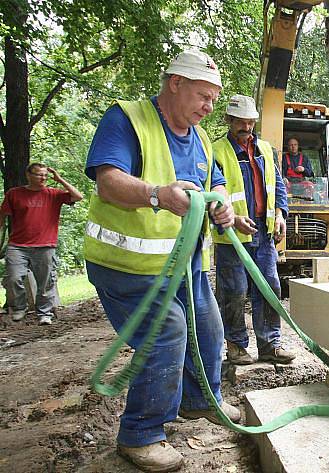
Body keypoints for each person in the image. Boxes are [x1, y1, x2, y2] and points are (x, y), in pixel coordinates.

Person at [84, 50, 240, 472]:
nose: (209, 108)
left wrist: (222, 205)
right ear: (174, 83)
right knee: (167, 331)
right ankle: (141, 435)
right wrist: (157, 195)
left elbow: (217, 183)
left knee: (208, 327)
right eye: (203, 97)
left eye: (213, 99)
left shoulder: (202, 138)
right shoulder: (127, 120)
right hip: (127, 267)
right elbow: (108, 183)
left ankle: (198, 401)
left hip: (183, 265)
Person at [212, 94, 295, 366]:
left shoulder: (265, 150)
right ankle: (236, 346)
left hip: (264, 231)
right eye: (240, 122)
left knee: (270, 287)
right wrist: (232, 219)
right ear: (228, 120)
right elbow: (212, 194)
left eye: (250, 122)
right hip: (232, 236)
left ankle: (270, 343)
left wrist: (281, 214)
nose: (246, 127)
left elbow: (278, 186)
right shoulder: (216, 152)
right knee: (234, 291)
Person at [0, 163, 83, 325]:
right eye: (39, 175)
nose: (43, 178)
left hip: (45, 245)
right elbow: (2, 215)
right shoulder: (15, 194)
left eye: (45, 175)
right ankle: (19, 308)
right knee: (13, 278)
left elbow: (78, 196)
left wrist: (59, 179)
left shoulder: (54, 194)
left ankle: (44, 313)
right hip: (18, 245)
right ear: (28, 175)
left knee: (46, 282)